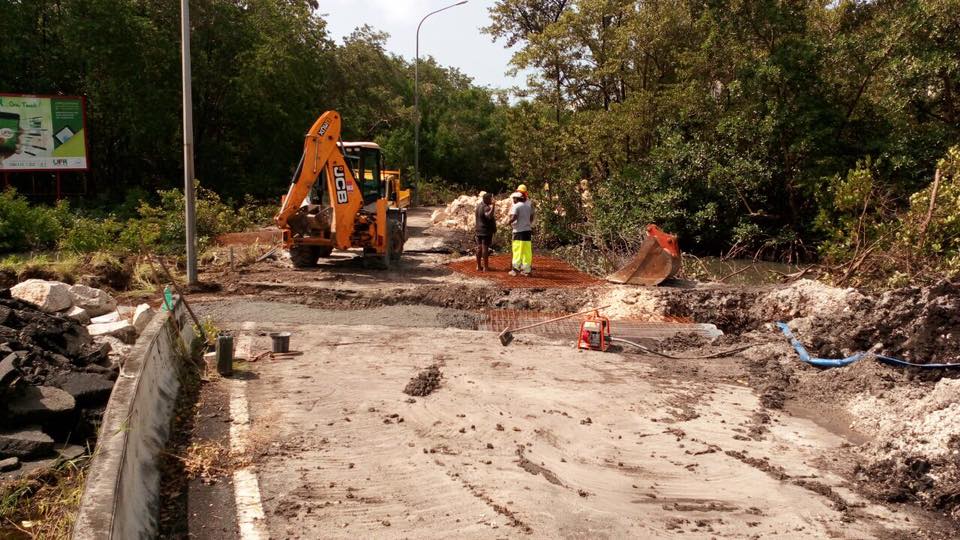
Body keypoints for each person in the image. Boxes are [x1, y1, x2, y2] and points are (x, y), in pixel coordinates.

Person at [508, 188, 534, 276]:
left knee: (517, 250)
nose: (513, 200)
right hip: (527, 231)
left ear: (516, 198)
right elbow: (531, 218)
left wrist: (509, 222)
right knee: (527, 251)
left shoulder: (516, 206)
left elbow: (514, 217)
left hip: (518, 231)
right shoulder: (528, 206)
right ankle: (527, 270)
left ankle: (515, 270)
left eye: (514, 198)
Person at [474, 191, 496, 271]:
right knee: (485, 248)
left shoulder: (478, 206)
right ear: (486, 199)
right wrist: (493, 206)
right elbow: (489, 216)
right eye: (491, 199)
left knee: (479, 248)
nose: (492, 200)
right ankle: (486, 268)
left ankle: (478, 266)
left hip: (478, 230)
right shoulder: (486, 207)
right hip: (485, 231)